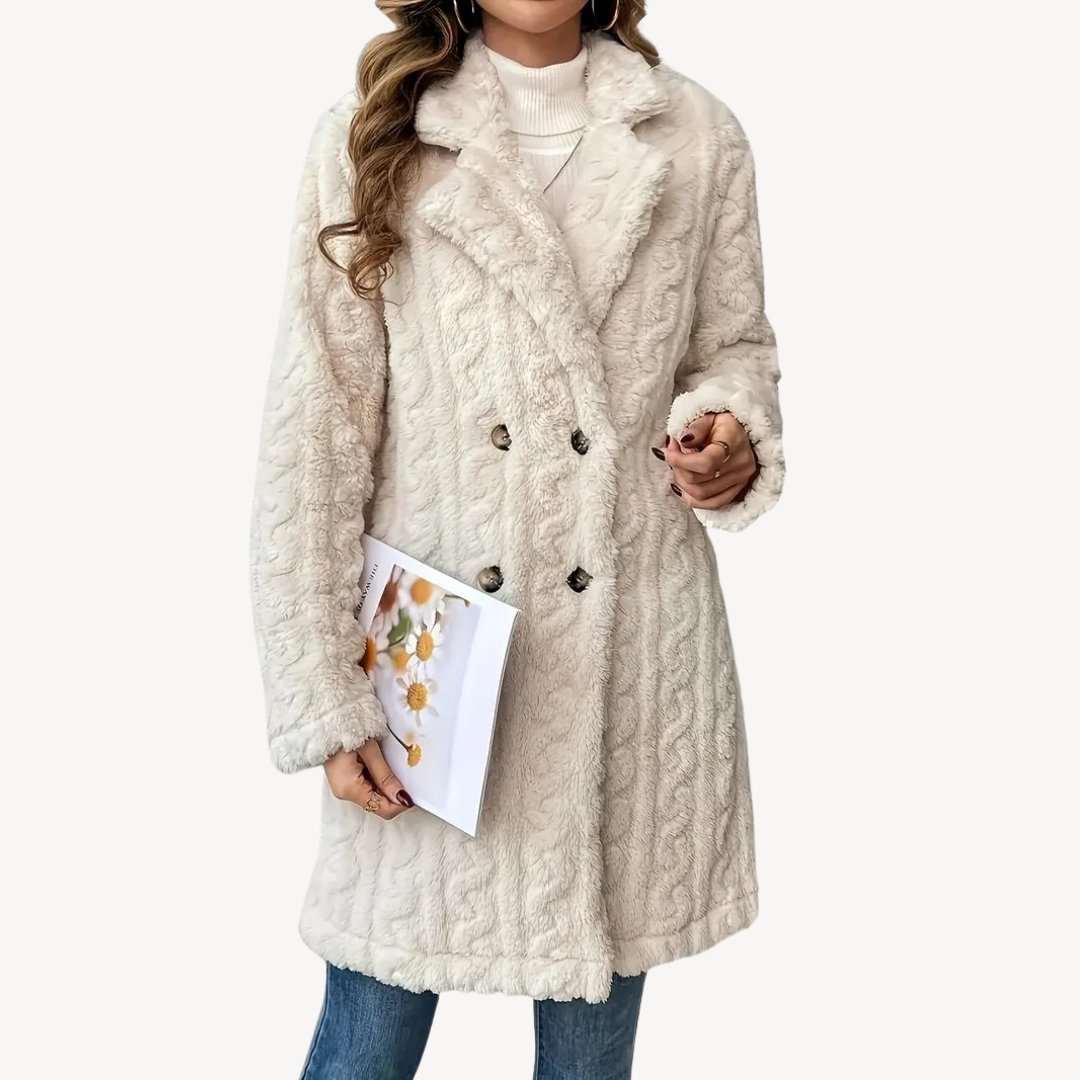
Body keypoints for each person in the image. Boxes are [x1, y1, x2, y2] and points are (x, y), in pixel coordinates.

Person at [249, 1, 785, 1076]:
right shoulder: (375, 134)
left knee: (590, 1045)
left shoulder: (695, 134)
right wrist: (323, 696)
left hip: (625, 663)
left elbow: (735, 348)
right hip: (432, 681)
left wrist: (729, 429)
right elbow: (316, 438)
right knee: (367, 1035)